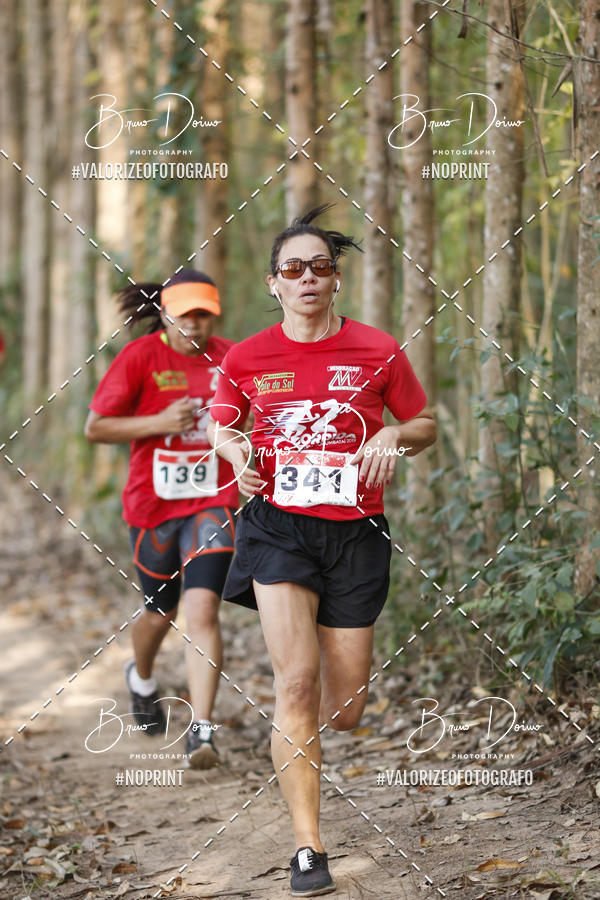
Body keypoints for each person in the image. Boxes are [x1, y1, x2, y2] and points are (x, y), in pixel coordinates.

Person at [207, 205, 436, 896]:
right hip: (277, 526)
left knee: (346, 709)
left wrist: (395, 437)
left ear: (336, 281)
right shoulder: (246, 357)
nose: (307, 278)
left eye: (321, 267)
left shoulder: (378, 349)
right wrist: (237, 450)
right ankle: (309, 848)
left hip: (357, 533)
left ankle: (318, 743)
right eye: (292, 269)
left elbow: (423, 419)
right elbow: (222, 426)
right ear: (273, 283)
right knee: (297, 683)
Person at [85, 270, 238, 769]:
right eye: (185, 313)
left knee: (203, 612)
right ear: (166, 314)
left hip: (211, 502)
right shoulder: (139, 357)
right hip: (152, 507)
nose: (195, 323)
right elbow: (97, 427)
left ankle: (202, 731)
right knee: (160, 613)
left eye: (204, 314)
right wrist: (158, 423)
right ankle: (142, 677)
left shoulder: (231, 357)